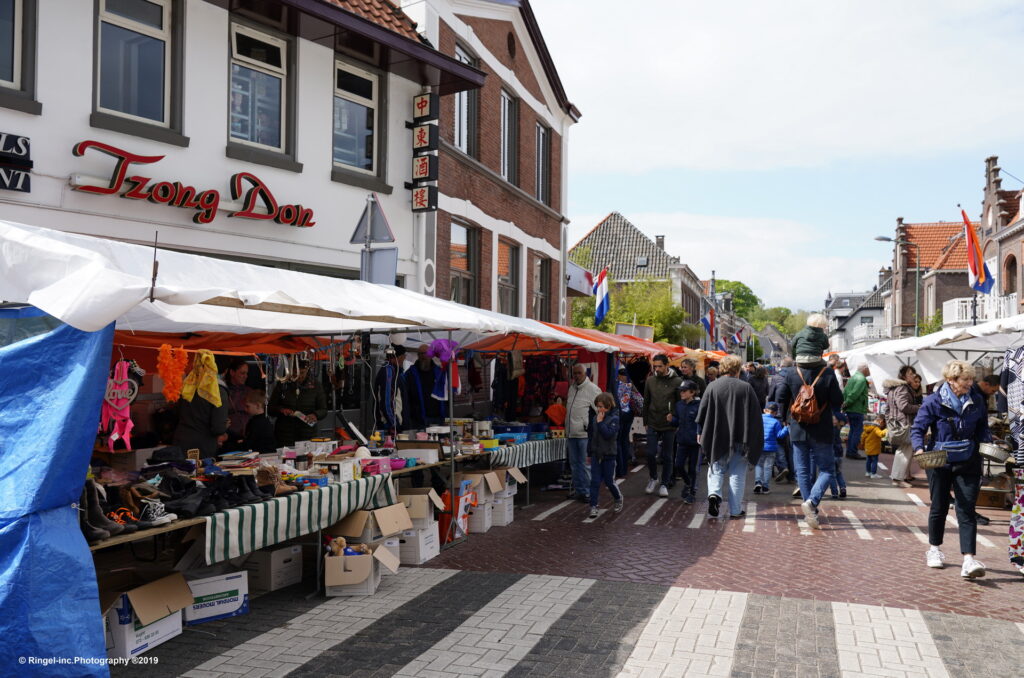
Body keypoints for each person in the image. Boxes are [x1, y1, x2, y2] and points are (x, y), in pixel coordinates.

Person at [913, 359, 992, 578]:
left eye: (970, 379)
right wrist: (919, 449)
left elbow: (983, 427)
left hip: (968, 460)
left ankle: (968, 559)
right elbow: (918, 428)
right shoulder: (934, 401)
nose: (969, 383)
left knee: (966, 508)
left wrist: (987, 443)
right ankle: (934, 549)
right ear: (951, 380)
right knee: (938, 506)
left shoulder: (976, 400)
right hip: (939, 461)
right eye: (965, 379)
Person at [776, 352, 844, 529]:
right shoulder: (827, 372)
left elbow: (780, 397)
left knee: (802, 472)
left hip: (798, 428)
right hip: (821, 428)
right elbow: (838, 399)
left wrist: (786, 416)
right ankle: (812, 503)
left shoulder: (791, 372)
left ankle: (811, 512)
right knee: (828, 469)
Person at [696, 355, 763, 518]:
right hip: (740, 438)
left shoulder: (712, 386)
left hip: (716, 437)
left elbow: (702, 413)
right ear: (738, 369)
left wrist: (699, 432)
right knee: (737, 474)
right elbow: (755, 415)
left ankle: (714, 494)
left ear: (722, 369)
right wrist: (755, 438)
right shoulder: (746, 388)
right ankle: (735, 510)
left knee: (716, 468)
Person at [173, 350, 230, 458]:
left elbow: (176, 412)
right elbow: (218, 428)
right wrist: (224, 426)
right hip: (202, 446)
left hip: (181, 440)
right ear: (225, 371)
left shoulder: (189, 384)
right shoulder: (218, 391)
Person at [643, 354, 682, 497]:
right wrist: (645, 421)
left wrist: (676, 419)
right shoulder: (650, 381)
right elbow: (646, 401)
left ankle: (664, 483)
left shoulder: (677, 381)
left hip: (669, 424)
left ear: (667, 365)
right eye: (655, 366)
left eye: (660, 366)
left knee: (667, 455)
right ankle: (653, 477)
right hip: (653, 421)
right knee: (649, 452)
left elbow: (680, 403)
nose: (657, 369)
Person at [270, 358, 328, 446]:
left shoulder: (316, 385)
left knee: (305, 457)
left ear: (307, 370)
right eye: (295, 373)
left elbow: (323, 409)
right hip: (285, 435)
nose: (299, 376)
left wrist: (315, 415)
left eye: (302, 373)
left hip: (307, 434)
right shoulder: (282, 385)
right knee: (287, 457)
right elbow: (270, 408)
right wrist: (281, 410)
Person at [567, 363, 600, 502]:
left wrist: (589, 425)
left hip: (584, 434)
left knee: (585, 464)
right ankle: (580, 490)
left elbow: (601, 410)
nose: (576, 376)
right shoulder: (572, 388)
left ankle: (587, 491)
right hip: (571, 433)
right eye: (574, 373)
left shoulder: (593, 389)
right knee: (574, 464)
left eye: (579, 373)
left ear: (585, 373)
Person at [587, 392, 624, 518]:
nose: (599, 409)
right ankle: (593, 505)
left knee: (609, 481)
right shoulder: (595, 418)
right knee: (595, 481)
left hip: (609, 455)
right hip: (596, 455)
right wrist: (590, 452)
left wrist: (601, 423)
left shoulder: (614, 419)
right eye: (597, 406)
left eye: (601, 406)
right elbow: (592, 436)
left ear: (608, 406)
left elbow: (609, 435)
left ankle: (618, 498)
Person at [885, 366, 921, 488]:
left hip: (898, 423)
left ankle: (902, 476)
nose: (913, 375)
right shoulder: (902, 388)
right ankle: (897, 478)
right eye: (910, 373)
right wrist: (919, 407)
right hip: (903, 423)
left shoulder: (894, 388)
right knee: (904, 450)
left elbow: (887, 409)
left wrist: (889, 421)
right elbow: (904, 406)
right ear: (904, 376)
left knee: (905, 449)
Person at [671, 380, 702, 503]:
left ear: (692, 392)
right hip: (682, 441)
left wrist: (701, 435)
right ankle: (688, 483)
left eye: (684, 391)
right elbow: (677, 421)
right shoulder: (679, 405)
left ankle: (692, 493)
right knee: (678, 465)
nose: (681, 393)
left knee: (693, 468)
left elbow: (703, 422)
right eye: (680, 391)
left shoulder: (699, 405)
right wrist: (671, 420)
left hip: (695, 443)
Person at [405, 344, 446, 430]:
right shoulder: (410, 374)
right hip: (418, 420)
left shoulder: (439, 372)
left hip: (439, 419)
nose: (423, 356)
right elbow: (406, 397)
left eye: (426, 353)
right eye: (421, 354)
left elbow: (446, 394)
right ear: (418, 356)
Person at [615, 368, 644, 478]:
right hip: (629, 415)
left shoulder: (620, 386)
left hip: (621, 415)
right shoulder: (632, 385)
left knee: (619, 441)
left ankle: (620, 469)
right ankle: (624, 469)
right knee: (624, 441)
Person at [755, 402, 787, 494]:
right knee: (768, 467)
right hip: (771, 449)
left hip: (759, 446)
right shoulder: (776, 422)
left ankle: (758, 482)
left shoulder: (758, 419)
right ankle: (765, 487)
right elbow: (779, 435)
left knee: (758, 465)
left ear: (764, 410)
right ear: (775, 413)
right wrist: (786, 428)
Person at [374, 347, 405, 435]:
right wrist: (393, 424)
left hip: (391, 423)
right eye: (403, 356)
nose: (404, 359)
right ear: (397, 357)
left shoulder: (394, 371)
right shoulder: (388, 371)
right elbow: (387, 401)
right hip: (388, 425)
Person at [842, 364, 870, 460]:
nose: (870, 372)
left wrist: (845, 403)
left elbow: (845, 391)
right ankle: (852, 452)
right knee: (857, 431)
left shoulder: (853, 377)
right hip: (856, 408)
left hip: (851, 408)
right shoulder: (861, 379)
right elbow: (855, 393)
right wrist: (847, 403)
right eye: (869, 369)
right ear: (865, 369)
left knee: (853, 431)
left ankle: (850, 451)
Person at [223, 357, 252, 443]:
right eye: (242, 373)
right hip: (228, 438)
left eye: (247, 373)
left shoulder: (250, 392)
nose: (245, 376)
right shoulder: (223, 391)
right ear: (232, 372)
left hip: (247, 437)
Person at [243, 390, 276, 454]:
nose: (245, 409)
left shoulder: (259, 423)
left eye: (247, 406)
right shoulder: (258, 420)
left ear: (258, 405)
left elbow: (249, 444)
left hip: (262, 456)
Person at [829, 410, 848, 499]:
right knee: (839, 473)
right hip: (839, 454)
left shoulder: (829, 430)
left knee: (831, 474)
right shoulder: (838, 428)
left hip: (831, 454)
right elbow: (844, 419)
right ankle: (843, 488)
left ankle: (834, 492)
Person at [861, 414, 886, 478]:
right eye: (884, 423)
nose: (883, 425)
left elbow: (863, 437)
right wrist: (887, 430)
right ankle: (873, 473)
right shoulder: (876, 428)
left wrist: (862, 444)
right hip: (874, 448)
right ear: (881, 421)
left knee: (868, 460)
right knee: (874, 461)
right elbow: (881, 434)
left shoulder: (867, 427)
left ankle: (867, 472)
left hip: (868, 447)